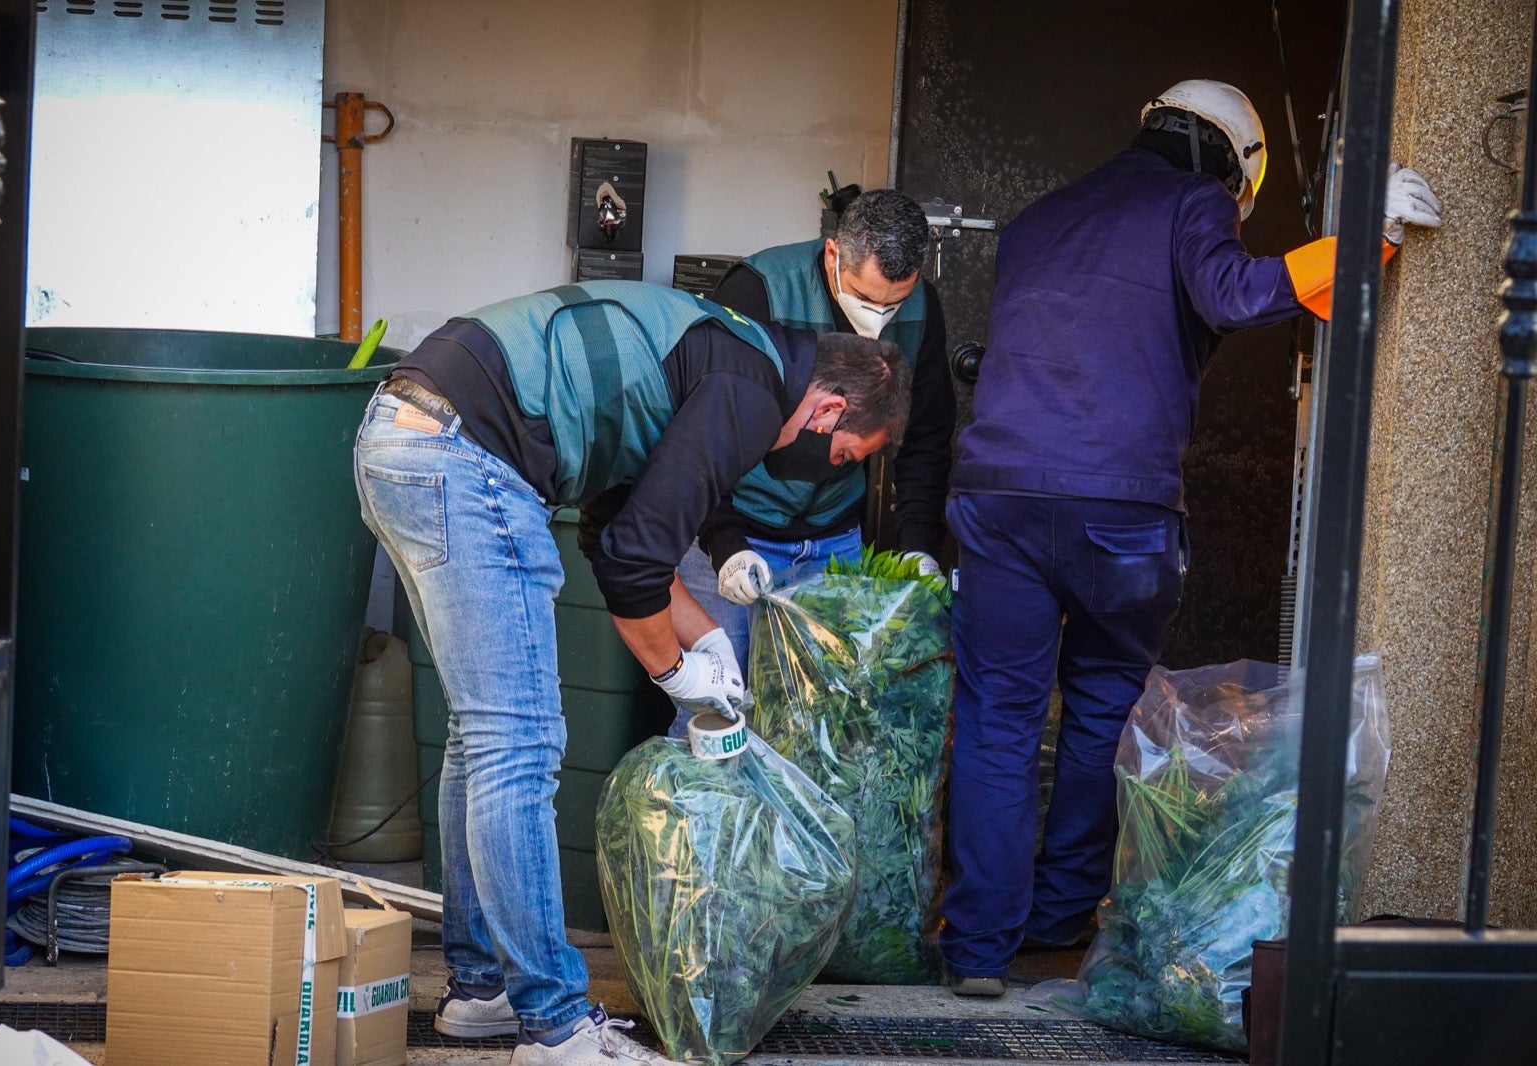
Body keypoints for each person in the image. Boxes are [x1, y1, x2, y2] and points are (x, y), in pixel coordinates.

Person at [940, 79, 1442, 997]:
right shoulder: (1195, 201)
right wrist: (1361, 234)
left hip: (1000, 497)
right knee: (1097, 714)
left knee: (999, 720)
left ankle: (976, 951)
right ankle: (1056, 925)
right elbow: (1238, 291)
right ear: (1233, 164)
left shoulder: (1037, 217)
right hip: (1119, 512)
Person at [353, 279, 910, 1063]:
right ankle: (554, 1026)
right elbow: (635, 562)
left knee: (481, 737)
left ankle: (486, 990)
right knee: (517, 745)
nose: (833, 466)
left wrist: (705, 638)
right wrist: (678, 676)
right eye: (848, 455)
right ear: (826, 414)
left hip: (405, 436)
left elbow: (617, 526)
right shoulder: (748, 391)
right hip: (462, 453)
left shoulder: (727, 356)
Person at [678, 188, 954, 667]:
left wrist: (917, 546)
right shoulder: (759, 289)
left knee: (815, 719)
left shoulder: (923, 308)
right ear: (833, 254)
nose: (879, 319)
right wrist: (722, 540)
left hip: (834, 541)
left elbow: (927, 435)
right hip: (735, 533)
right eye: (867, 299)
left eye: (896, 303)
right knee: (717, 704)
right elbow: (701, 431)